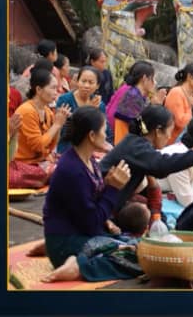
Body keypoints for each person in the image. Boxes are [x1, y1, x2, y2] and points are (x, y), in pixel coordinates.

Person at [99, 105, 193, 228]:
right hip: (99, 208)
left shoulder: (139, 145)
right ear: (158, 131)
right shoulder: (136, 146)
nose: (170, 136)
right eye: (169, 131)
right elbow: (163, 166)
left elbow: (157, 178)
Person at [40, 106, 135, 283]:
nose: (106, 135)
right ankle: (79, 268)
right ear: (91, 135)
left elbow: (89, 205)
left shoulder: (87, 159)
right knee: (135, 256)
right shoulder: (72, 170)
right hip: (67, 242)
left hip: (78, 234)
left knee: (135, 244)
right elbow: (91, 223)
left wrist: (108, 185)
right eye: (104, 130)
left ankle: (63, 252)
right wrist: (113, 189)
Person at [10, 69, 70, 188]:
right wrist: (56, 125)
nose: (57, 91)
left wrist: (59, 125)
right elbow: (38, 145)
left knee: (71, 163)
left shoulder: (48, 111)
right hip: (23, 163)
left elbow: (50, 147)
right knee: (62, 171)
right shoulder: (27, 111)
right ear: (38, 89)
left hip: (40, 161)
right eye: (53, 88)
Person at [55, 67, 107, 151]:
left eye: (91, 82)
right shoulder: (65, 100)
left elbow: (104, 130)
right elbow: (63, 132)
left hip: (91, 148)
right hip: (68, 146)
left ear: (97, 85)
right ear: (77, 82)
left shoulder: (99, 105)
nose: (86, 85)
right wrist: (88, 111)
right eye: (83, 81)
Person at [105, 61, 156, 144]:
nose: (155, 82)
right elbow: (140, 128)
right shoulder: (133, 97)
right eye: (153, 78)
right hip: (121, 143)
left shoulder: (136, 94)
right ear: (144, 78)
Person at [164, 63, 193, 140]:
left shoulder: (190, 95)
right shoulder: (177, 92)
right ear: (190, 77)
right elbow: (180, 122)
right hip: (172, 141)